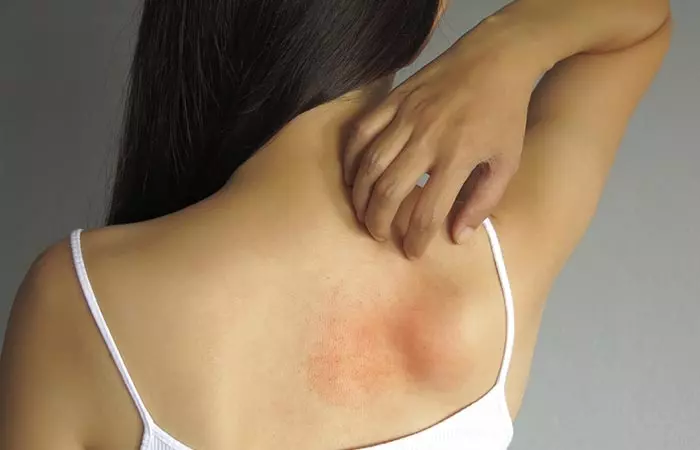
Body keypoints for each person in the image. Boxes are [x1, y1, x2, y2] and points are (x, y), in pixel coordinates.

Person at [0, 0, 671, 448]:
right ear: (426, 11)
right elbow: (644, 18)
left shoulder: (79, 301)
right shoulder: (497, 254)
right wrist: (502, 49)